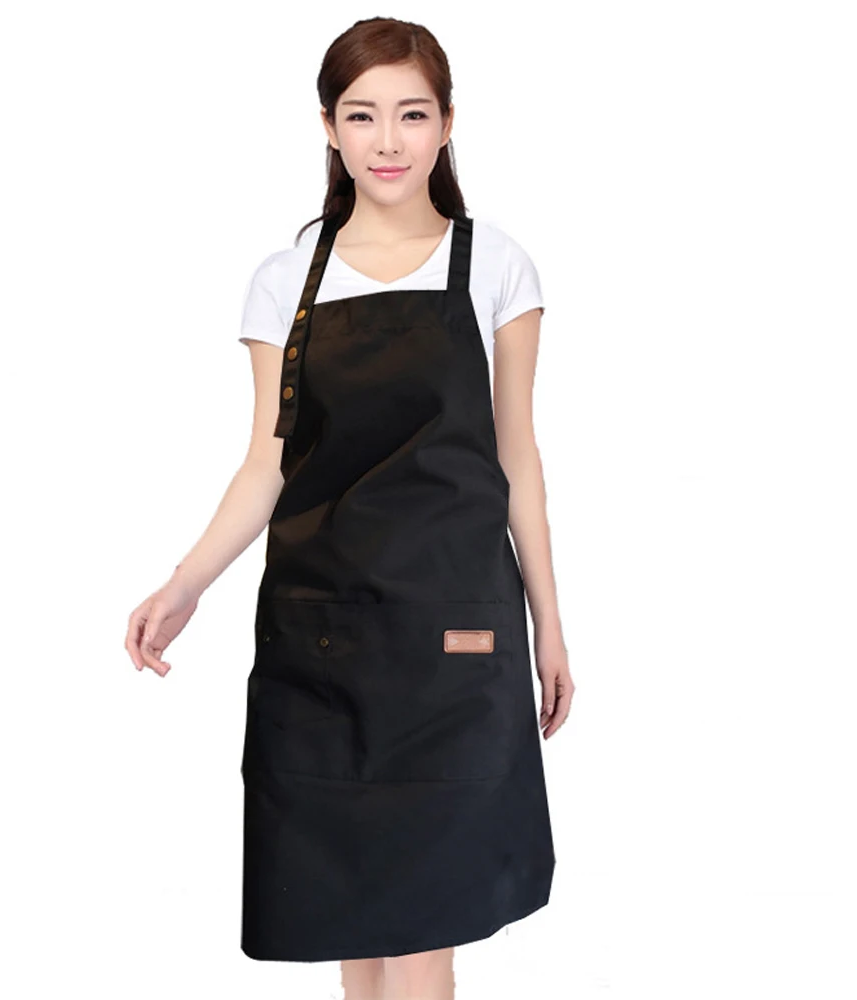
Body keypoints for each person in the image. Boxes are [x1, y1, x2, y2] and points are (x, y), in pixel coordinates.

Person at [125, 17, 575, 1000]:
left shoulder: (496, 266)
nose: (387, 140)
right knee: (354, 922)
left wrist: (548, 623)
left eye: (411, 114)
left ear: (447, 123)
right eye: (362, 116)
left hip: (455, 637)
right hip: (322, 638)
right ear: (328, 127)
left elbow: (518, 459)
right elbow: (267, 463)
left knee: (422, 927)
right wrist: (184, 584)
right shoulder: (286, 279)